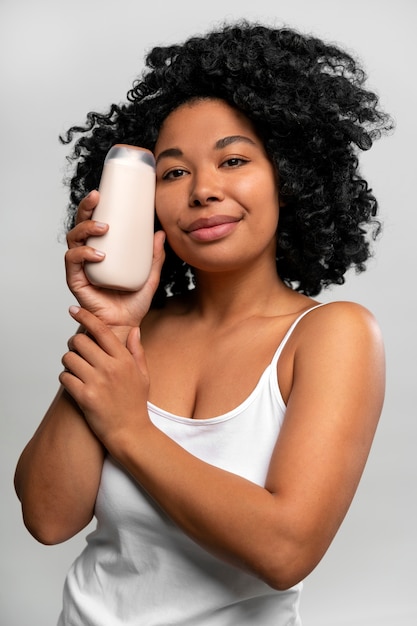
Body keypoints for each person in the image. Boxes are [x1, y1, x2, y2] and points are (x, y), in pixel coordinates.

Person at [14, 21, 392, 626]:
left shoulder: (334, 335)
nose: (203, 191)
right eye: (172, 172)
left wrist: (131, 429)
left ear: (288, 178)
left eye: (234, 160)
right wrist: (105, 324)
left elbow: (284, 548)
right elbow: (47, 517)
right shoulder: (134, 332)